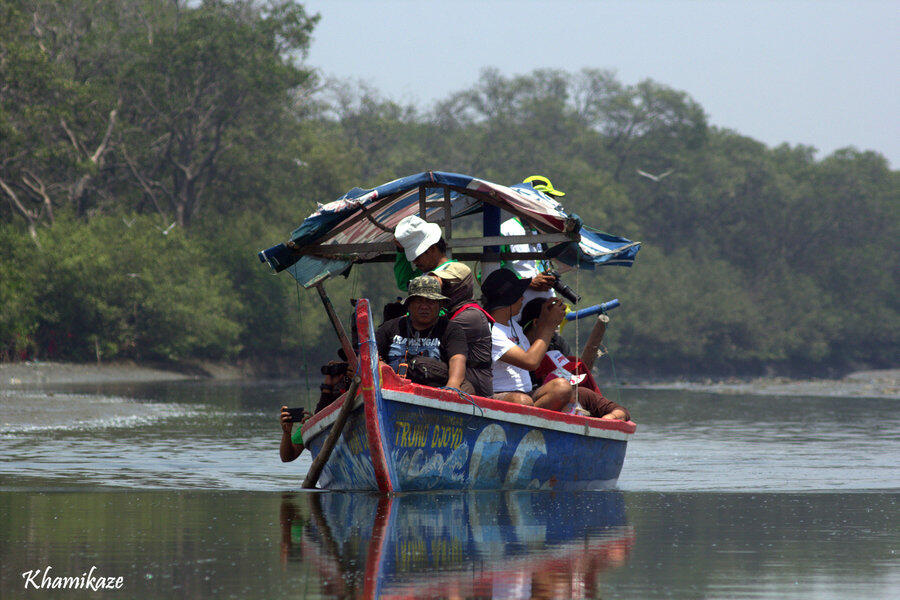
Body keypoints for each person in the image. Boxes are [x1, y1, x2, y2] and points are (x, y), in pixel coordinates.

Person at [393, 214, 494, 397]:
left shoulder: (457, 269)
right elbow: (403, 282)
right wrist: (401, 252)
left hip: (470, 376)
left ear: (431, 249)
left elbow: (433, 283)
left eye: (417, 256)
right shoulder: (423, 275)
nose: (415, 263)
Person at [519, 298, 630, 421]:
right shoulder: (531, 392)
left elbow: (621, 411)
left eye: (569, 373)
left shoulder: (581, 394)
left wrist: (609, 418)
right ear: (546, 379)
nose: (569, 378)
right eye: (563, 375)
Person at [481, 267, 574, 410]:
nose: (523, 298)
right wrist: (549, 325)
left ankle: (530, 413)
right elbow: (530, 361)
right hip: (500, 395)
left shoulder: (514, 326)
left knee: (562, 387)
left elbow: (534, 349)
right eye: (519, 295)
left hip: (525, 394)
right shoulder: (491, 330)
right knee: (523, 402)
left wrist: (544, 318)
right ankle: (530, 412)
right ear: (509, 299)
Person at [479, 175, 566, 316]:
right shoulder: (506, 231)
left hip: (545, 315)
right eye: (547, 198)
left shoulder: (544, 232)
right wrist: (529, 283)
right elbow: (487, 276)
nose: (551, 204)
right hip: (517, 318)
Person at [375, 275, 469, 390]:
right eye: (418, 301)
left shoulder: (452, 330)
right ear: (409, 305)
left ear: (440, 305)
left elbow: (457, 358)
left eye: (430, 302)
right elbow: (369, 356)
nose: (424, 307)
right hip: (391, 390)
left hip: (435, 394)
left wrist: (452, 387)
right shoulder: (390, 327)